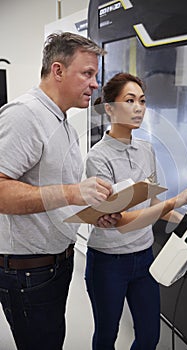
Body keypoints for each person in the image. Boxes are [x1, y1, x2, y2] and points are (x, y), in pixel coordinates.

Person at [0, 32, 118, 350]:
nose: (95, 84)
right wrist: (73, 193)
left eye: (96, 75)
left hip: (53, 265)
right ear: (58, 70)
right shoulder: (25, 115)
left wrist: (92, 214)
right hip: (29, 273)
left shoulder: (61, 120)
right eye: (87, 73)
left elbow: (49, 191)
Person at [85, 72, 187, 350]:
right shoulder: (98, 157)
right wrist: (175, 201)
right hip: (108, 263)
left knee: (150, 335)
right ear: (110, 108)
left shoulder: (146, 150)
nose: (139, 107)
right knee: (106, 335)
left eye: (142, 100)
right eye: (129, 100)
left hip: (143, 259)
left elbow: (152, 208)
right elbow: (120, 221)